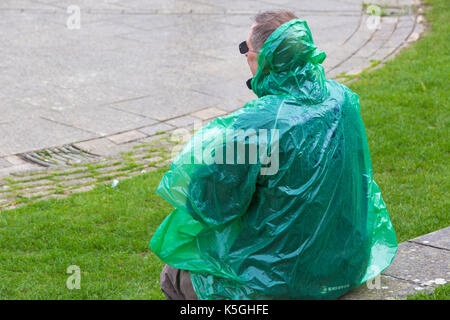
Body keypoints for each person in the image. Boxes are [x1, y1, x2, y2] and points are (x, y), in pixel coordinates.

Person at [151, 10, 398, 300]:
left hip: (276, 283)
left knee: (174, 274)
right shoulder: (342, 99)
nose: (245, 55)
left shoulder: (258, 123)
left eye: (246, 49)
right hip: (344, 266)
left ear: (262, 57)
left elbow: (210, 204)